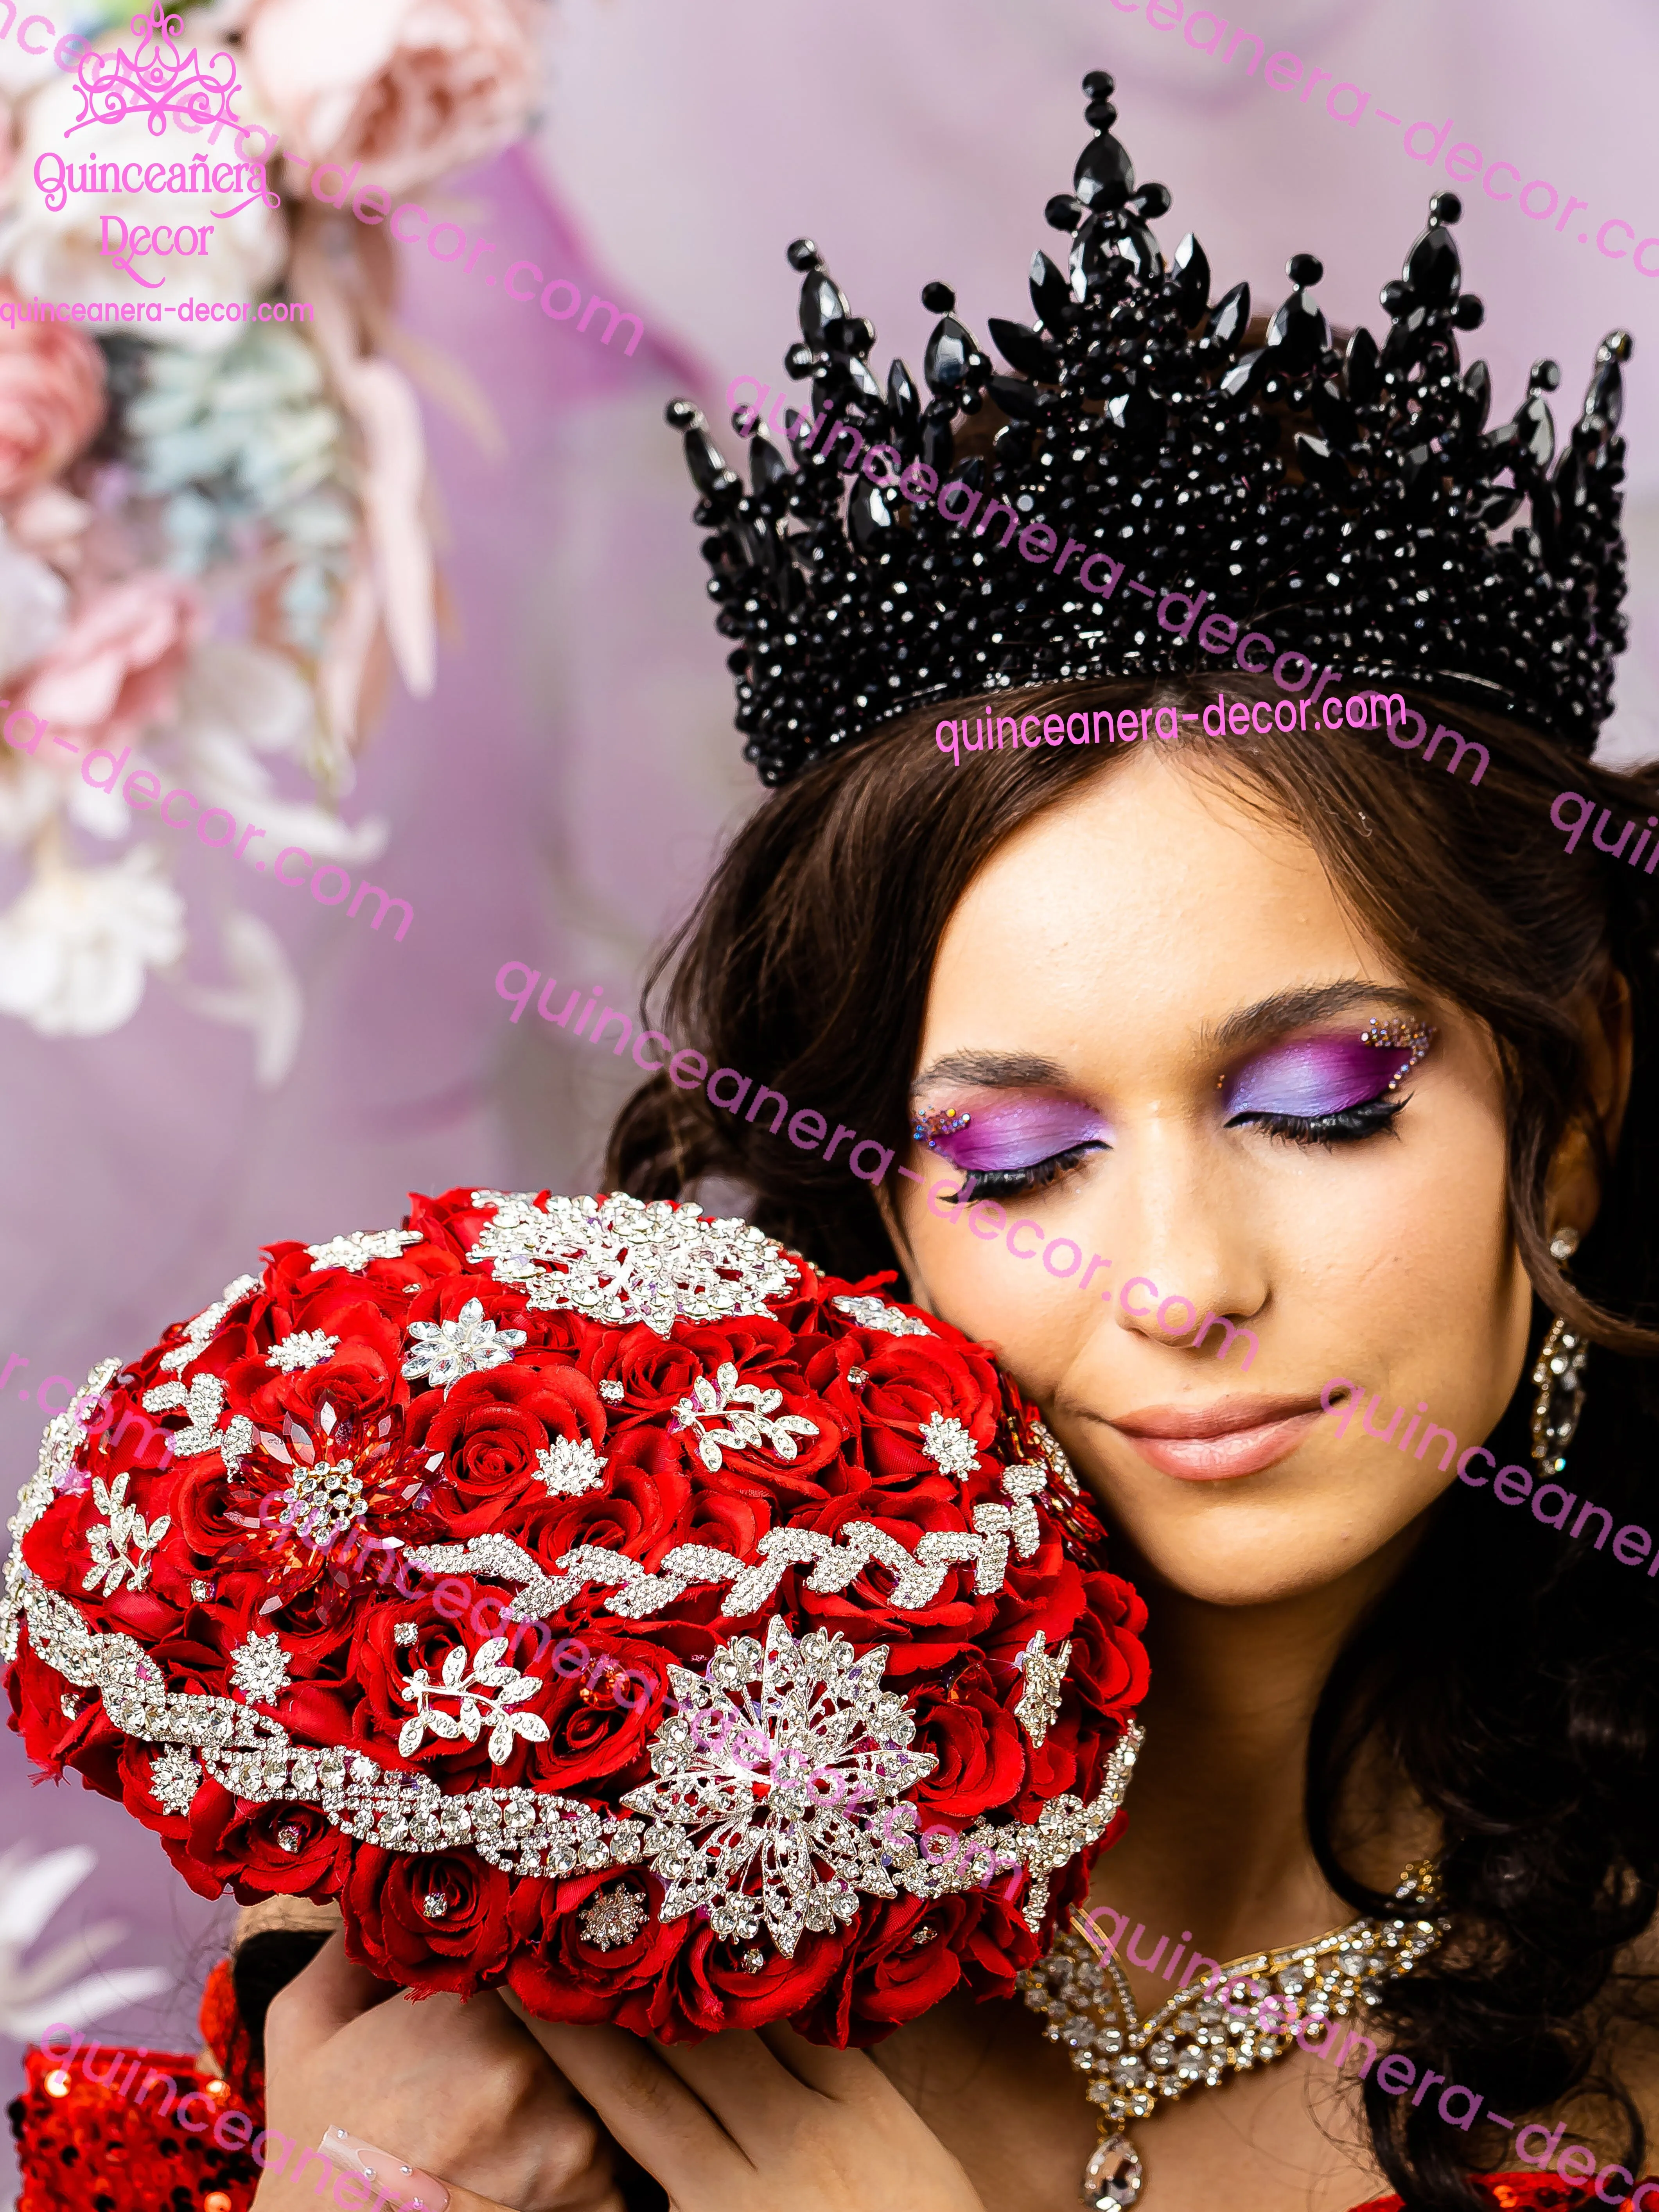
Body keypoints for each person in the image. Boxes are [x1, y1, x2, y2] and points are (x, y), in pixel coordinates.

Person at [18, 63, 1658, 2212]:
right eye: (1021, 1159)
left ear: (1571, 1108)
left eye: (1316, 1106)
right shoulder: (534, 1953)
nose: (1178, 1276)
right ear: (871, 1184)